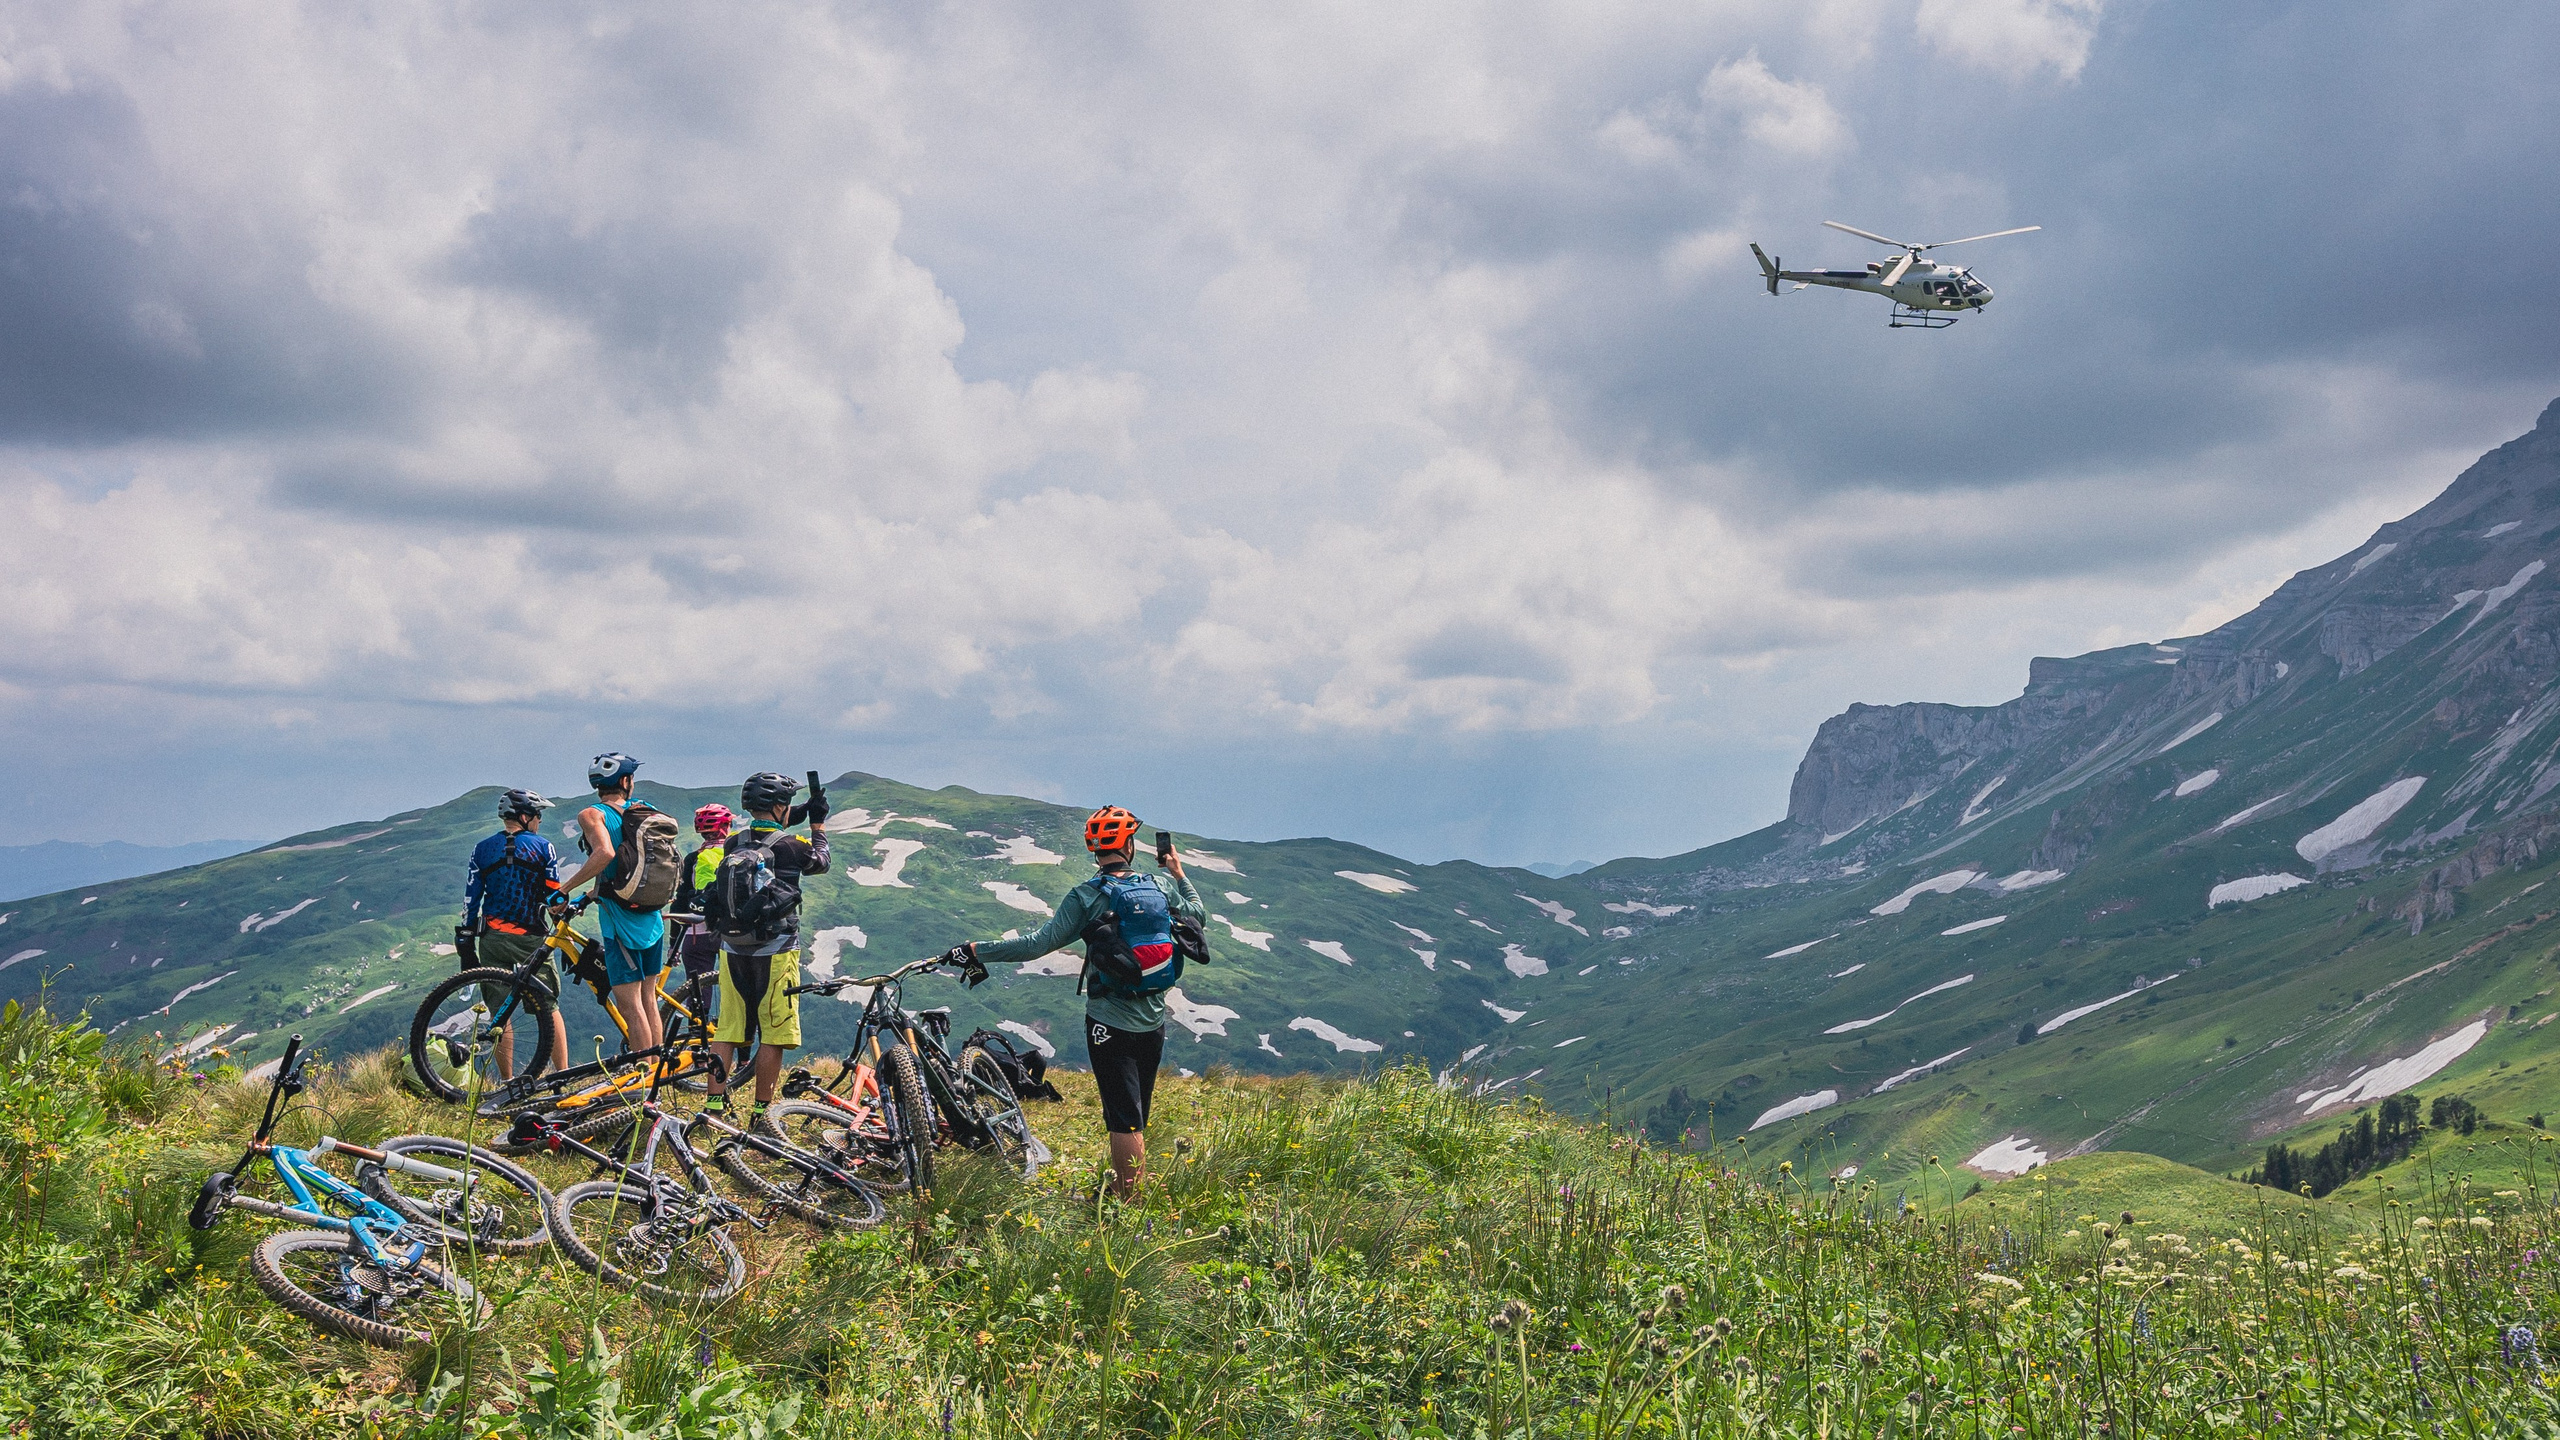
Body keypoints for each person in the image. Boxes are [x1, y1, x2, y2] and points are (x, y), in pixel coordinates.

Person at [961, 806, 1205, 1198]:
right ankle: (1121, 1193)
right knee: (1136, 1110)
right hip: (1155, 1018)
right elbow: (1197, 915)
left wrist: (977, 950)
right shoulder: (1160, 886)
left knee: (1123, 1118)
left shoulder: (1086, 895)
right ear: (1128, 844)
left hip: (1109, 1020)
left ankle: (1127, 1205)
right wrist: (1177, 872)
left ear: (1094, 849)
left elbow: (1037, 944)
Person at [704, 772, 829, 1114]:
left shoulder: (733, 842)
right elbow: (821, 862)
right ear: (778, 805)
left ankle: (714, 1104)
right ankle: (762, 1112)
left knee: (728, 1027)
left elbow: (772, 829)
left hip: (731, 946)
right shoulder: (792, 846)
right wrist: (818, 827)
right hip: (776, 949)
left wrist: (803, 809)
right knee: (774, 1032)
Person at [553, 753, 667, 1059]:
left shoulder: (593, 814)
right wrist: (591, 894)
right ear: (626, 781)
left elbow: (605, 853)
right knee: (648, 999)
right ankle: (655, 1070)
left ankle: (643, 1073)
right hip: (651, 914)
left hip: (620, 921)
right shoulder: (646, 810)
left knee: (629, 1004)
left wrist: (564, 889)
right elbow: (629, 865)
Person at [459, 788, 569, 1078]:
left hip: (492, 937)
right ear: (524, 816)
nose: (540, 821)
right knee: (549, 1006)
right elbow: (553, 895)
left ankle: (507, 1081)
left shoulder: (481, 849)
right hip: (532, 937)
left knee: (499, 1011)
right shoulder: (543, 847)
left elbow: (471, 898)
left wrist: (468, 932)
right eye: (537, 815)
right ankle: (562, 1075)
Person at [669, 804, 735, 1004]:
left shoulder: (693, 859)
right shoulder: (738, 855)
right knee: (735, 991)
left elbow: (680, 903)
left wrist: (674, 944)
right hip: (731, 933)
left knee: (697, 995)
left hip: (697, 935)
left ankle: (696, 1029)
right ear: (727, 825)